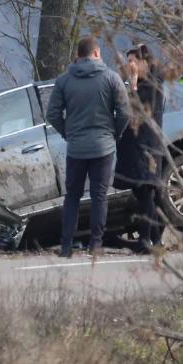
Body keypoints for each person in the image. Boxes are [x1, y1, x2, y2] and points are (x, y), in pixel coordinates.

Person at [46, 36, 130, 258]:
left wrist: (67, 132)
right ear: (97, 53)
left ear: (78, 55)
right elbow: (124, 112)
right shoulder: (111, 78)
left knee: (72, 196)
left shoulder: (64, 81)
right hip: (103, 146)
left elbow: (52, 114)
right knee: (99, 195)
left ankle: (66, 246)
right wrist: (115, 133)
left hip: (76, 148)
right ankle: (95, 244)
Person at [113, 44, 165, 254]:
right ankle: (154, 240)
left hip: (147, 147)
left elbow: (137, 111)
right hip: (136, 147)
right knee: (144, 195)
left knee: (146, 194)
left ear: (146, 62)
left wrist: (132, 84)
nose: (130, 65)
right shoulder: (141, 84)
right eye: (128, 61)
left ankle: (147, 241)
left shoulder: (152, 86)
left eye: (133, 61)